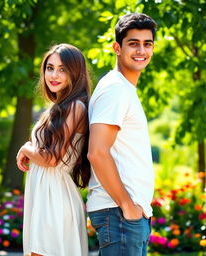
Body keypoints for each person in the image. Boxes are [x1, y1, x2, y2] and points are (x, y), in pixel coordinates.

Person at [87, 13, 157, 256]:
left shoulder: (123, 89)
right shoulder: (115, 89)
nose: (141, 50)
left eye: (147, 43)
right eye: (133, 43)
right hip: (119, 215)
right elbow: (97, 152)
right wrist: (128, 206)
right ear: (117, 47)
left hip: (126, 216)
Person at [16, 43, 91, 256]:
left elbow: (51, 159)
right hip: (44, 194)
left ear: (75, 73)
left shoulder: (76, 106)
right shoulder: (56, 108)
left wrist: (26, 148)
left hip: (55, 196)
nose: (54, 75)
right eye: (50, 68)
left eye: (62, 69)